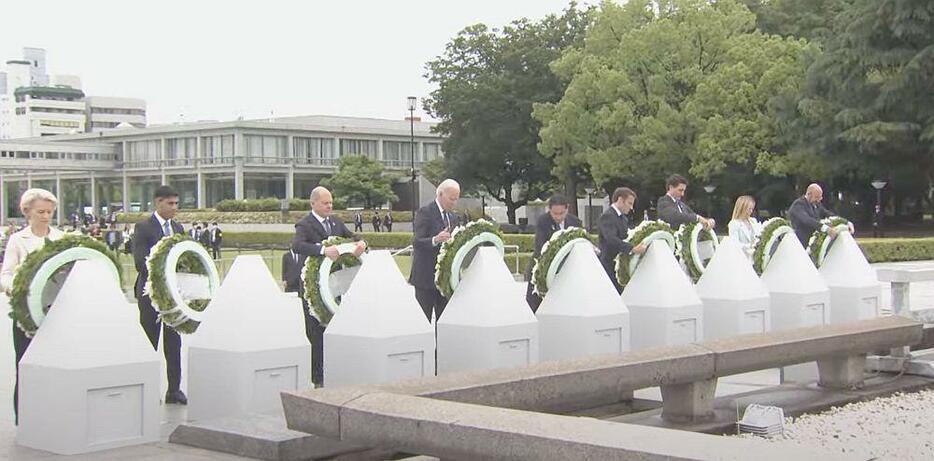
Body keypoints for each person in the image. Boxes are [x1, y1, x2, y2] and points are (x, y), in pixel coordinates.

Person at [0, 189, 64, 424]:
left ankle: (52, 414)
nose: (46, 216)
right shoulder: (18, 239)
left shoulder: (61, 238)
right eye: (41, 212)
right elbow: (5, 275)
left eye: (49, 212)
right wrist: (16, 287)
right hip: (26, 312)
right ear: (27, 212)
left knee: (56, 365)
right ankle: (25, 419)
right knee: (25, 364)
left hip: (56, 312)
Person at [291, 186, 366, 387]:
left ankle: (336, 370)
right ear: (313, 203)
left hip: (335, 287)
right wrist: (323, 250)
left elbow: (352, 237)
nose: (329, 206)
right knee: (315, 333)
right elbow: (297, 246)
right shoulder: (304, 224)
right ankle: (317, 378)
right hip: (311, 290)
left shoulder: (336, 222)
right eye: (325, 203)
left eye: (331, 202)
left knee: (336, 329)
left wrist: (361, 244)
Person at [132, 185, 187, 405]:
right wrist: (162, 276)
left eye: (176, 203)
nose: (174, 208)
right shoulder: (143, 227)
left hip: (174, 297)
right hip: (150, 295)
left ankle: (174, 389)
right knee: (149, 342)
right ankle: (147, 389)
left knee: (174, 343)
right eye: (170, 203)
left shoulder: (178, 227)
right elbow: (140, 262)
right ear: (158, 203)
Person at [410, 179, 460, 321]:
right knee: (423, 320)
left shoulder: (453, 217)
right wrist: (435, 239)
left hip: (444, 280)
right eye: (451, 199)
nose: (454, 203)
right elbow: (417, 241)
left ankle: (442, 344)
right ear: (440, 194)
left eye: (456, 199)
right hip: (425, 278)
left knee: (445, 320)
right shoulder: (425, 212)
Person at [525, 194, 582, 312]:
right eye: (555, 213)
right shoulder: (543, 221)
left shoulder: (575, 222)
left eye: (561, 213)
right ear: (549, 210)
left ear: (567, 209)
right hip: (542, 266)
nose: (558, 217)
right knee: (535, 304)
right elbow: (541, 245)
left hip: (566, 269)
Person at [598, 187, 647, 293]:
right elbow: (611, 239)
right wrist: (632, 248)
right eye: (629, 203)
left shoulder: (623, 218)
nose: (631, 207)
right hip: (608, 263)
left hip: (618, 263)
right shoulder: (607, 216)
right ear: (620, 200)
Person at [787, 183, 853, 246]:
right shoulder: (798, 205)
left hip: (813, 243)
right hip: (800, 244)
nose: (818, 200)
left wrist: (846, 222)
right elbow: (807, 220)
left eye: (820, 197)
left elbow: (828, 214)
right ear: (809, 194)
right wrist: (826, 229)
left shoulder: (816, 204)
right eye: (816, 197)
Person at [728, 195, 760, 260]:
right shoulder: (734, 224)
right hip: (742, 258)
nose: (751, 211)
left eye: (752, 209)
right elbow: (735, 244)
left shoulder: (753, 221)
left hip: (755, 258)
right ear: (742, 208)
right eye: (749, 209)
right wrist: (750, 246)